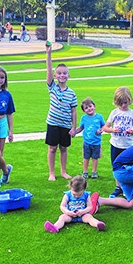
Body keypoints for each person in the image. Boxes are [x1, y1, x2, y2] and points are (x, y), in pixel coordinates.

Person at [45, 43, 78, 181]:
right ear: (55, 75)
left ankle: (63, 171)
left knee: (64, 148)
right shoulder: (52, 87)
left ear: (68, 75)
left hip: (65, 125)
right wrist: (48, 54)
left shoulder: (71, 93)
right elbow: (48, 69)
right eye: (59, 73)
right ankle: (52, 173)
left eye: (64, 73)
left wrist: (73, 127)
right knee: (52, 148)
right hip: (53, 123)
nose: (62, 75)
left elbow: (74, 111)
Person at [103, 87, 133, 198]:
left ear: (129, 101)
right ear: (117, 102)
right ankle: (118, 187)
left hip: (128, 145)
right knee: (116, 165)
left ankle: (127, 187)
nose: (124, 105)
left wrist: (132, 131)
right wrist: (113, 130)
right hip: (115, 144)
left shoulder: (132, 114)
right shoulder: (114, 113)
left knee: (128, 166)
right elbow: (105, 127)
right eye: (121, 103)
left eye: (126, 102)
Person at [73, 97, 105, 179]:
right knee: (86, 157)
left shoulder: (99, 117)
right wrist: (74, 131)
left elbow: (103, 126)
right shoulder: (84, 118)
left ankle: (94, 172)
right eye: (86, 108)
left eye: (90, 106)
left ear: (94, 106)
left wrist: (101, 130)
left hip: (96, 142)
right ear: (84, 111)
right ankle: (85, 172)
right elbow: (81, 128)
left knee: (95, 158)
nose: (89, 109)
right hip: (87, 142)